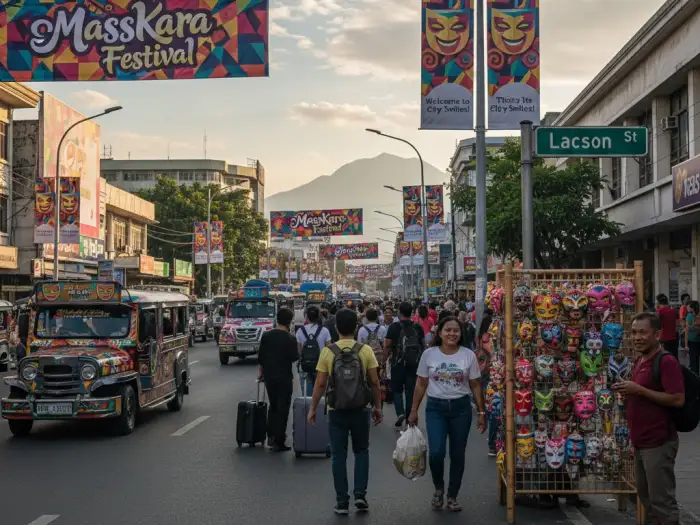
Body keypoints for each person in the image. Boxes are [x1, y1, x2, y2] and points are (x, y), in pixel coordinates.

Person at [308, 308, 383, 515]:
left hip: (336, 409)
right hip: (361, 409)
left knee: (338, 455)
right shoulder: (365, 350)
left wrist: (313, 408)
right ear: (356, 327)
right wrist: (377, 407)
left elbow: (320, 384)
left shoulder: (328, 351)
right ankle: (360, 494)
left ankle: (342, 501)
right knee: (361, 451)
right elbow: (375, 383)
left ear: (337, 328)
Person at [613, 312, 685, 525]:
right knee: (647, 500)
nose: (637, 337)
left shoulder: (666, 361)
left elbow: (677, 399)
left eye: (643, 333)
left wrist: (639, 390)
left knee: (662, 503)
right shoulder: (639, 360)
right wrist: (629, 393)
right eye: (634, 333)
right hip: (641, 441)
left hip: (659, 441)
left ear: (658, 334)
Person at [408, 316, 486, 512]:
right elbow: (421, 384)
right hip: (436, 408)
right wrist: (413, 410)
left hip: (461, 409)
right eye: (448, 330)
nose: (452, 333)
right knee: (436, 453)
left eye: (456, 330)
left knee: (458, 454)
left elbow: (476, 385)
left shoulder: (468, 355)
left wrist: (482, 411)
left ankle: (452, 495)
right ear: (440, 332)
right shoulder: (429, 354)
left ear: (461, 334)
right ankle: (438, 489)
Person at [257, 307, 299, 451]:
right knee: (283, 408)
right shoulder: (290, 338)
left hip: (270, 377)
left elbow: (260, 357)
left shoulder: (266, 336)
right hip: (284, 377)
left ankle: (271, 436)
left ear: (277, 319)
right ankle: (279, 440)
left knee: (273, 406)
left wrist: (262, 372)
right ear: (289, 322)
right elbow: (295, 357)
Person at [384, 301, 425, 429]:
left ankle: (400, 413)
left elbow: (387, 346)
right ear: (412, 312)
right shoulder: (418, 327)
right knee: (410, 391)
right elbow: (423, 346)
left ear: (399, 312)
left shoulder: (393, 327)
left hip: (397, 363)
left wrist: (382, 363)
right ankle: (408, 417)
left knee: (396, 390)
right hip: (413, 364)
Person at [297, 305, 332, 396]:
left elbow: (299, 351)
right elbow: (329, 348)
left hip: (306, 365)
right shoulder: (324, 331)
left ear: (306, 317)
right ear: (318, 317)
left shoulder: (300, 331)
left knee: (307, 393)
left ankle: (309, 407)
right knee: (321, 390)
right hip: (322, 365)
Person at [656, 294, 679, 359]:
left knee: (664, 358)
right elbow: (678, 325)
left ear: (658, 302)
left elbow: (656, 325)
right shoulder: (674, 311)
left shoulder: (659, 312)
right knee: (674, 357)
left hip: (663, 338)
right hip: (674, 337)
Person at [685, 301, 700, 374]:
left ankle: (695, 378)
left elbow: (687, 331)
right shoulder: (698, 316)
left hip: (692, 340)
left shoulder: (689, 316)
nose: (687, 308)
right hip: (698, 340)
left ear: (692, 308)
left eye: (688, 307)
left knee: (693, 360)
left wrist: (685, 344)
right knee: (697, 359)